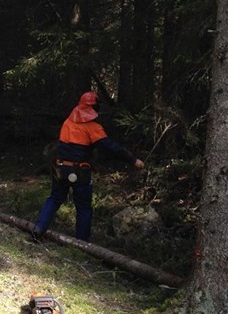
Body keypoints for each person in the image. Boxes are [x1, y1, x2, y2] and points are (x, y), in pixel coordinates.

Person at [32, 91, 144, 242]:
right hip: (80, 172)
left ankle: (38, 229)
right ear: (95, 107)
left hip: (60, 168)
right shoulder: (93, 127)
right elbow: (110, 147)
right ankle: (81, 243)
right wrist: (132, 159)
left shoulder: (67, 123)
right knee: (84, 207)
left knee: (55, 198)